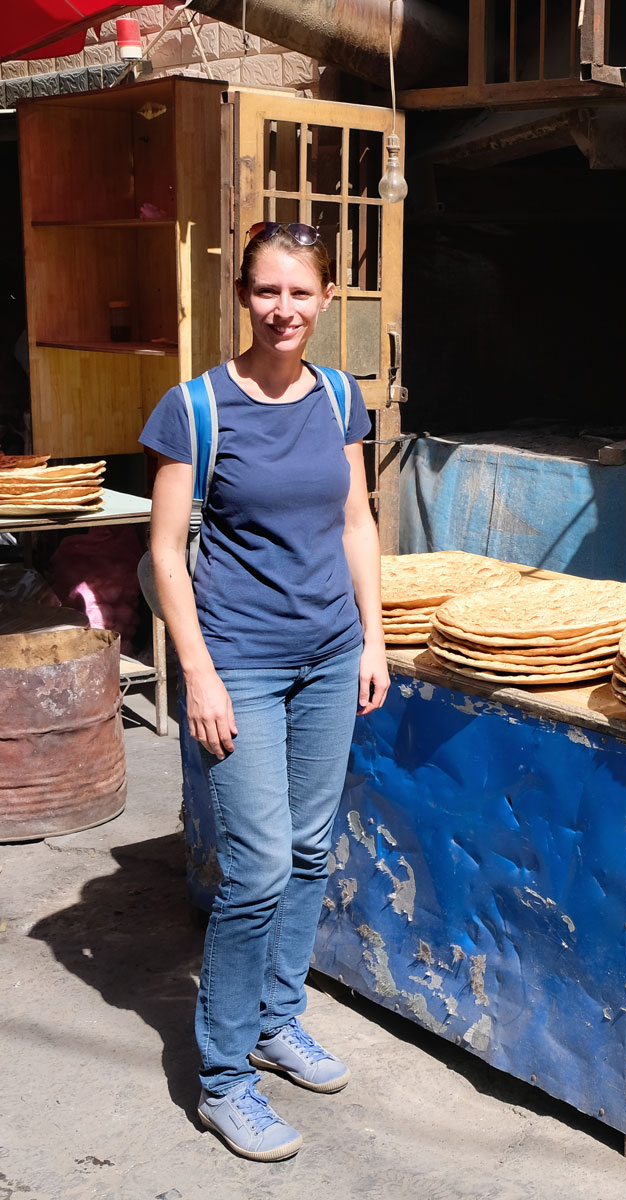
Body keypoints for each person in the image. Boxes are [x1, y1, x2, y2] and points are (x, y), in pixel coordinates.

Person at [140, 222, 388, 1162]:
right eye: (266, 292)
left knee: (312, 848)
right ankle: (225, 1075)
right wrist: (196, 672)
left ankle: (280, 1019)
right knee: (257, 869)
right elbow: (166, 552)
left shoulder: (338, 397)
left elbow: (356, 518)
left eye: (301, 293)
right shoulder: (194, 408)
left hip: (331, 653)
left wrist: (374, 638)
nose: (284, 310)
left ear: (327, 301)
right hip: (237, 660)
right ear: (241, 296)